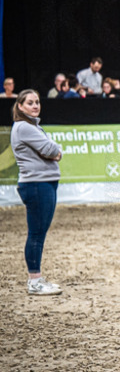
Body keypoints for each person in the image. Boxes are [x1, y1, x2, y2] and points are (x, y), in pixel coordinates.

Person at [11, 90, 63, 295]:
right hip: (37, 184)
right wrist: (56, 152)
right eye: (30, 103)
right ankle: (35, 281)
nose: (35, 106)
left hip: (41, 183)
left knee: (38, 233)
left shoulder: (30, 126)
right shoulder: (25, 127)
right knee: (36, 234)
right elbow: (53, 151)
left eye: (37, 102)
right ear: (20, 106)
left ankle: (37, 279)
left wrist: (54, 152)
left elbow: (52, 151)